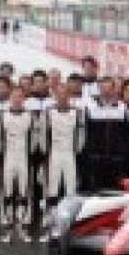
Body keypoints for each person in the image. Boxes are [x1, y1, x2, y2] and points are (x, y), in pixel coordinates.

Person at [0, 88, 38, 243]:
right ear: (10, 97)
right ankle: (7, 228)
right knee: (7, 193)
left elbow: (35, 139)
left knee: (23, 193)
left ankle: (22, 227)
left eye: (20, 96)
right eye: (14, 96)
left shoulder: (30, 116)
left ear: (24, 98)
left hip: (24, 158)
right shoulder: (2, 115)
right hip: (8, 158)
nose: (17, 99)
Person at [41, 86, 85, 220]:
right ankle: (50, 217)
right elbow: (44, 133)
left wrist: (78, 148)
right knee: (52, 186)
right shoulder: (49, 112)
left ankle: (70, 218)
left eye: (65, 94)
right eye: (59, 94)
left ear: (69, 96)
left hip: (69, 153)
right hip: (54, 152)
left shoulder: (77, 112)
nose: (62, 97)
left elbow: (81, 133)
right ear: (55, 96)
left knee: (70, 187)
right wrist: (45, 151)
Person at [82, 78, 129, 191]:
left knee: (116, 191)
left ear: (114, 89)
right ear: (99, 89)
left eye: (109, 88)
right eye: (103, 88)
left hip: (116, 159)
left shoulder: (122, 107)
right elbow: (87, 132)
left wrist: (122, 152)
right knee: (96, 191)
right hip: (96, 158)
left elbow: (125, 133)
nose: (106, 91)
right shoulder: (91, 107)